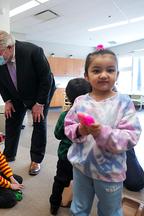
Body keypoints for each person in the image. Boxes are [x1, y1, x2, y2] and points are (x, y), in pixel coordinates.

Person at [64, 45, 142, 215]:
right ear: (86, 75)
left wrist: (102, 133)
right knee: (79, 208)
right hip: (81, 167)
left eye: (110, 70)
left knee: (110, 211)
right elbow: (68, 126)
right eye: (97, 70)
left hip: (110, 170)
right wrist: (78, 130)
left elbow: (130, 136)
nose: (104, 75)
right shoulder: (79, 101)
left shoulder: (123, 102)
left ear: (117, 75)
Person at [0, 30, 56, 175]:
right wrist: (7, 101)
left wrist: (39, 104)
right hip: (16, 93)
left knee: (38, 121)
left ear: (10, 47)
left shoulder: (33, 51)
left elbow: (46, 80)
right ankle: (9, 154)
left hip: (39, 93)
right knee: (11, 118)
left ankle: (36, 160)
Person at [50, 78, 91, 215]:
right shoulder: (91, 115)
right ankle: (79, 206)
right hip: (84, 157)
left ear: (68, 97)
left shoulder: (65, 115)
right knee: (82, 183)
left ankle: (54, 204)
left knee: (60, 180)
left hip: (65, 156)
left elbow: (57, 134)